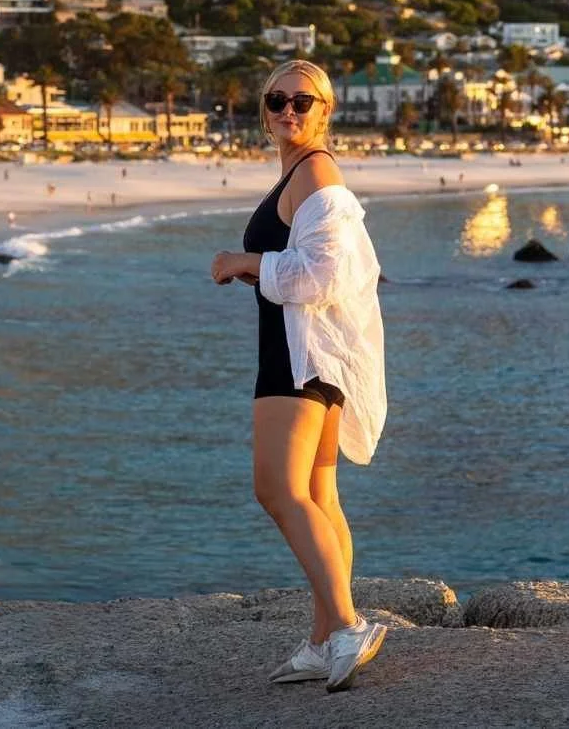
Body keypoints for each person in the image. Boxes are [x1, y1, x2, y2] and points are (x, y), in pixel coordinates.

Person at [210, 59, 387, 693]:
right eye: (277, 100)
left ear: (325, 110)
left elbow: (325, 274)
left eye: (303, 101)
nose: (289, 110)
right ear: (264, 109)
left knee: (277, 490)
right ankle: (322, 640)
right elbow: (313, 267)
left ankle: (346, 624)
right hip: (311, 352)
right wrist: (255, 268)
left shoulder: (315, 170)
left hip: (298, 358)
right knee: (318, 496)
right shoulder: (298, 172)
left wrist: (243, 261)